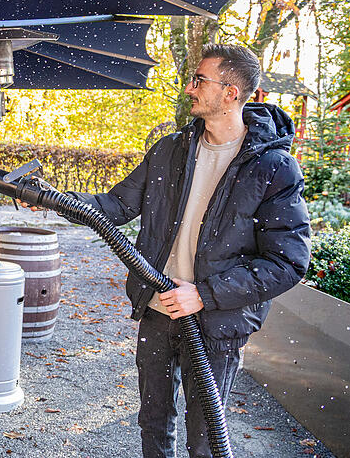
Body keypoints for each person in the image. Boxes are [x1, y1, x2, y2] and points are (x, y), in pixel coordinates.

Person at [25, 43, 311, 458]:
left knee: (204, 433)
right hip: (159, 310)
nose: (189, 87)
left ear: (230, 92)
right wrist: (51, 198)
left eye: (200, 79)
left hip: (217, 323)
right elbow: (114, 206)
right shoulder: (170, 150)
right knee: (153, 420)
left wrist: (204, 295)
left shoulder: (273, 169)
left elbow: (287, 263)